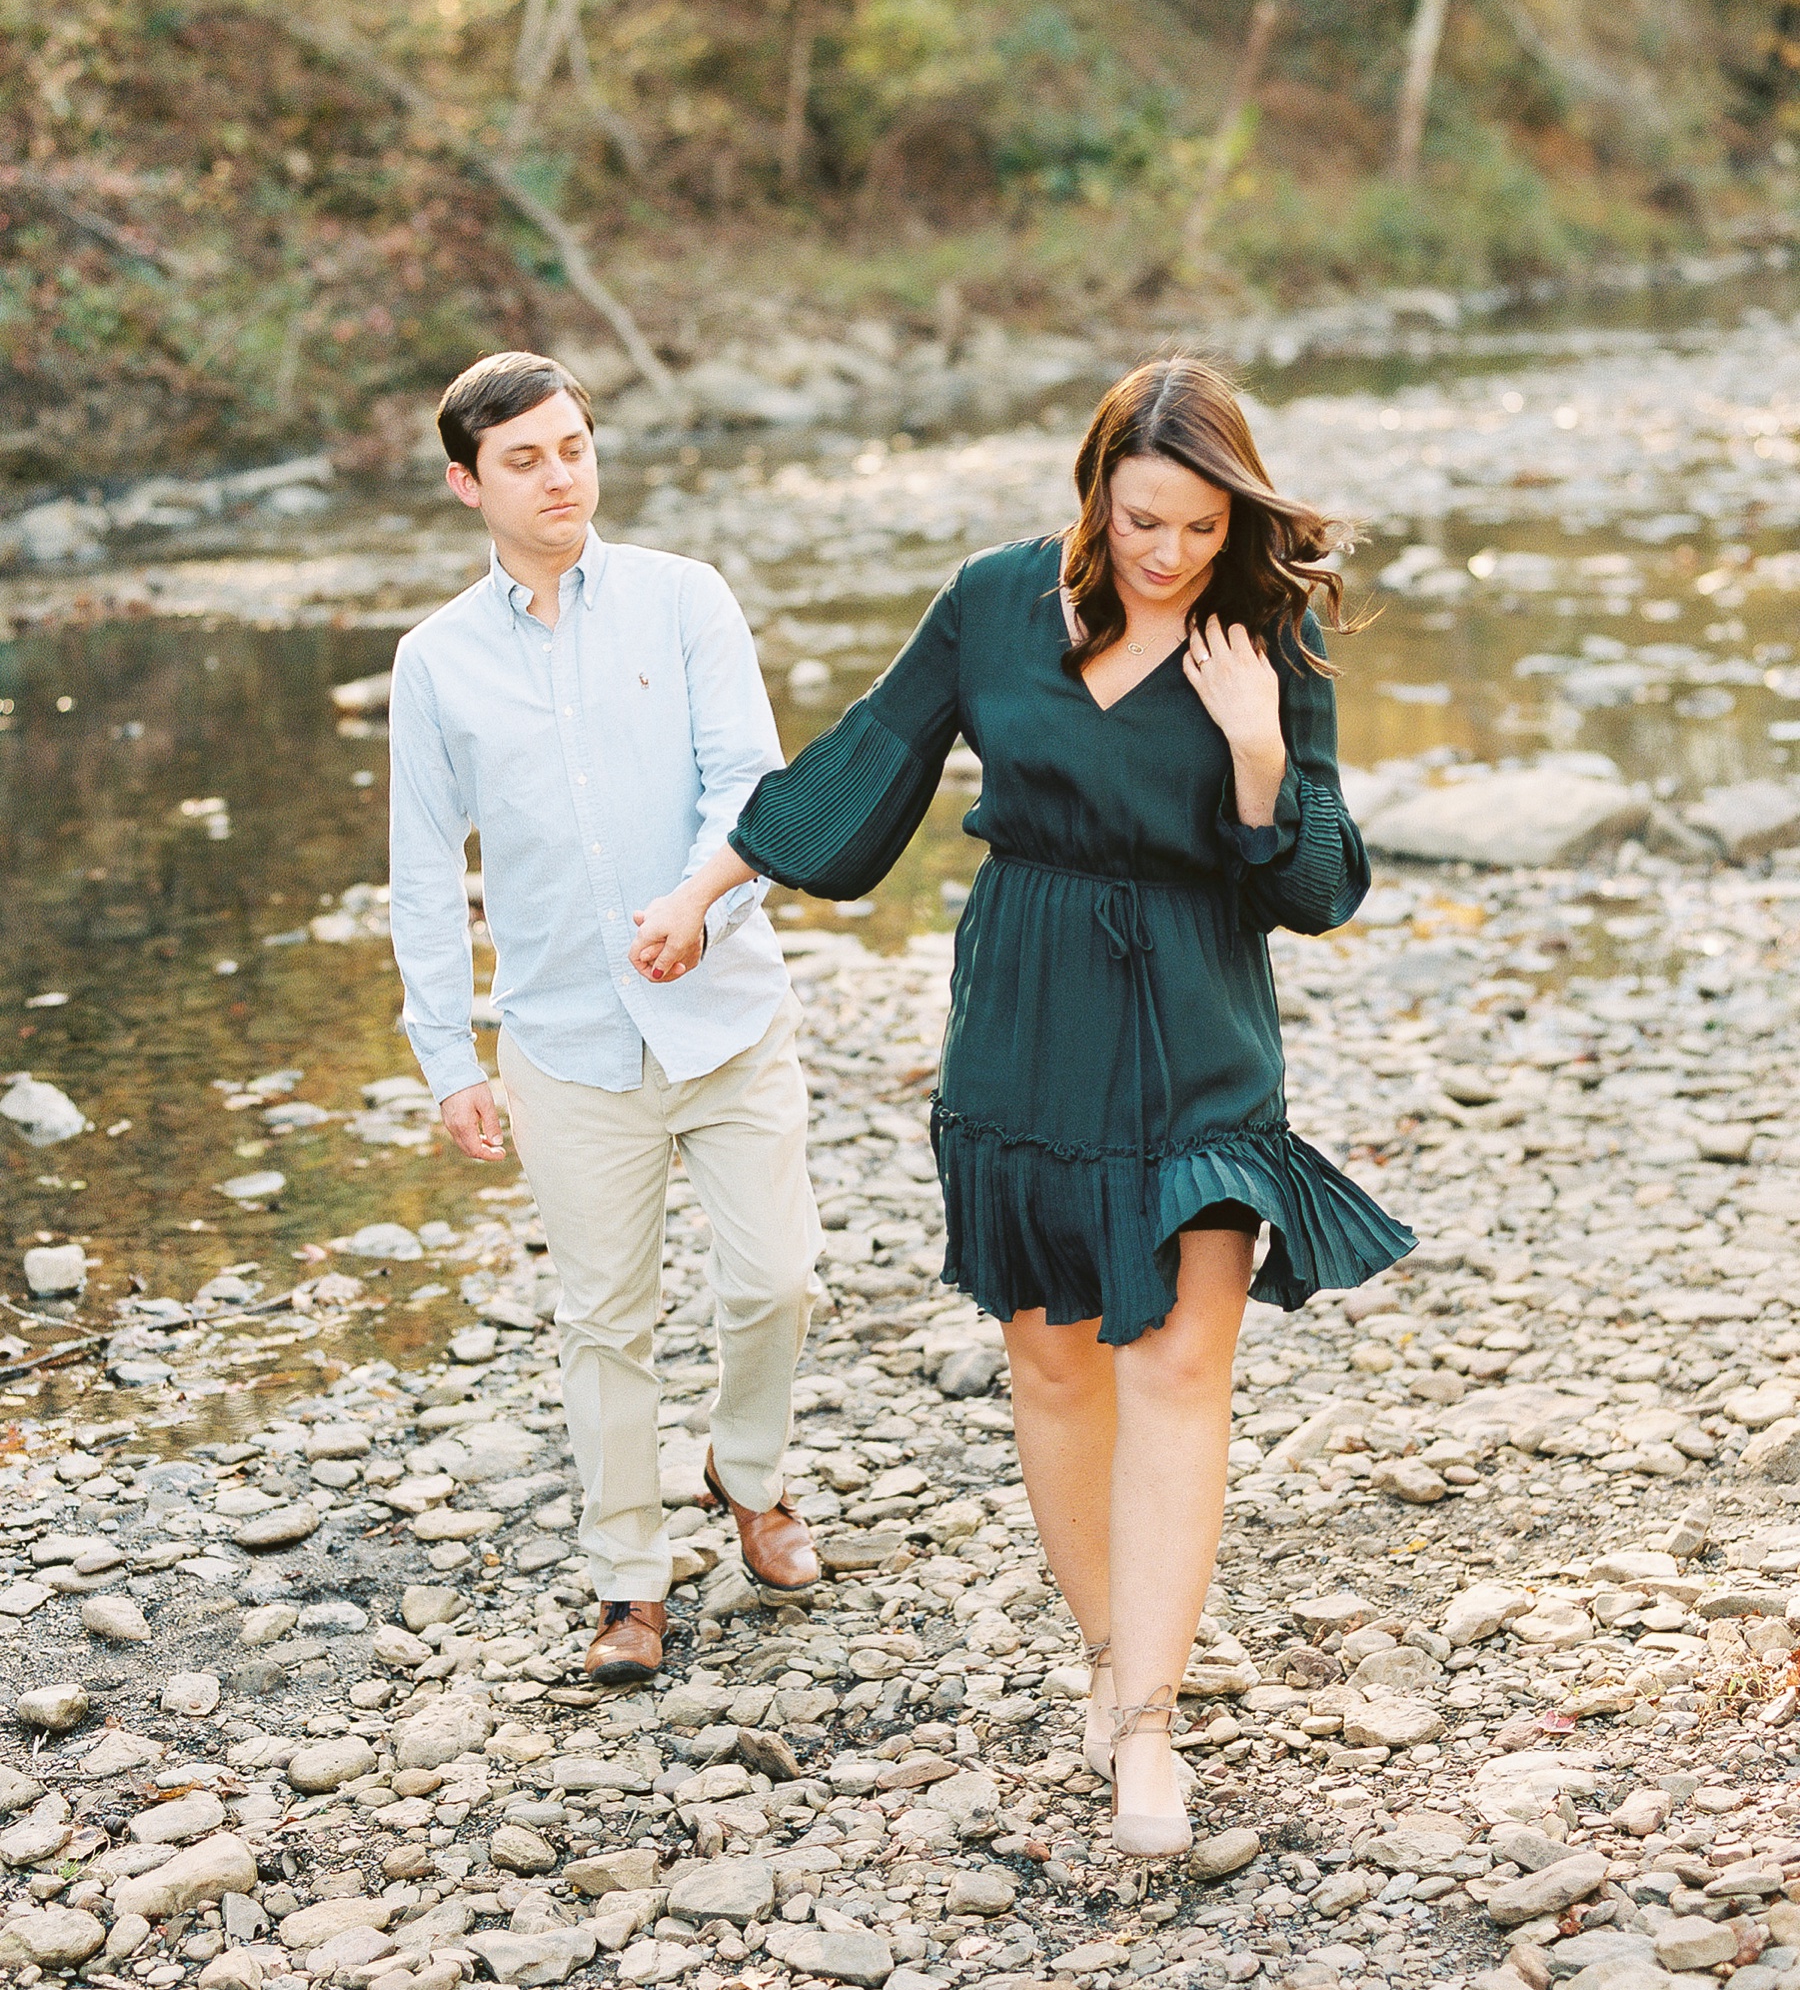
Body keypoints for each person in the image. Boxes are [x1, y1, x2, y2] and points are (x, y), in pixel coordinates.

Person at [626, 356, 1414, 1851]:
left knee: (1182, 1365)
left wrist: (1255, 748)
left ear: (1233, 517)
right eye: (1141, 523)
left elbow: (1319, 889)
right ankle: (1113, 1658)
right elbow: (866, 762)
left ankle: (1147, 1733)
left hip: (1200, 1024)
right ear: (1093, 496)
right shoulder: (994, 600)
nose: (1168, 554)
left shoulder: (1271, 639)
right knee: (1055, 1368)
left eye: (1196, 527)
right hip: (1027, 1016)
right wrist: (705, 889)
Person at [386, 350, 824, 1687]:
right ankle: (629, 1582)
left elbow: (750, 784)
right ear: (469, 484)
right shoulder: (436, 663)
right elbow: (421, 864)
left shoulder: (685, 601)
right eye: (524, 459)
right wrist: (448, 1055)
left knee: (777, 1281)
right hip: (566, 1047)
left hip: (727, 1017)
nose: (560, 474)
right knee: (605, 1323)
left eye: (573, 446)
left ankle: (743, 1474)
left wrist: (701, 904)